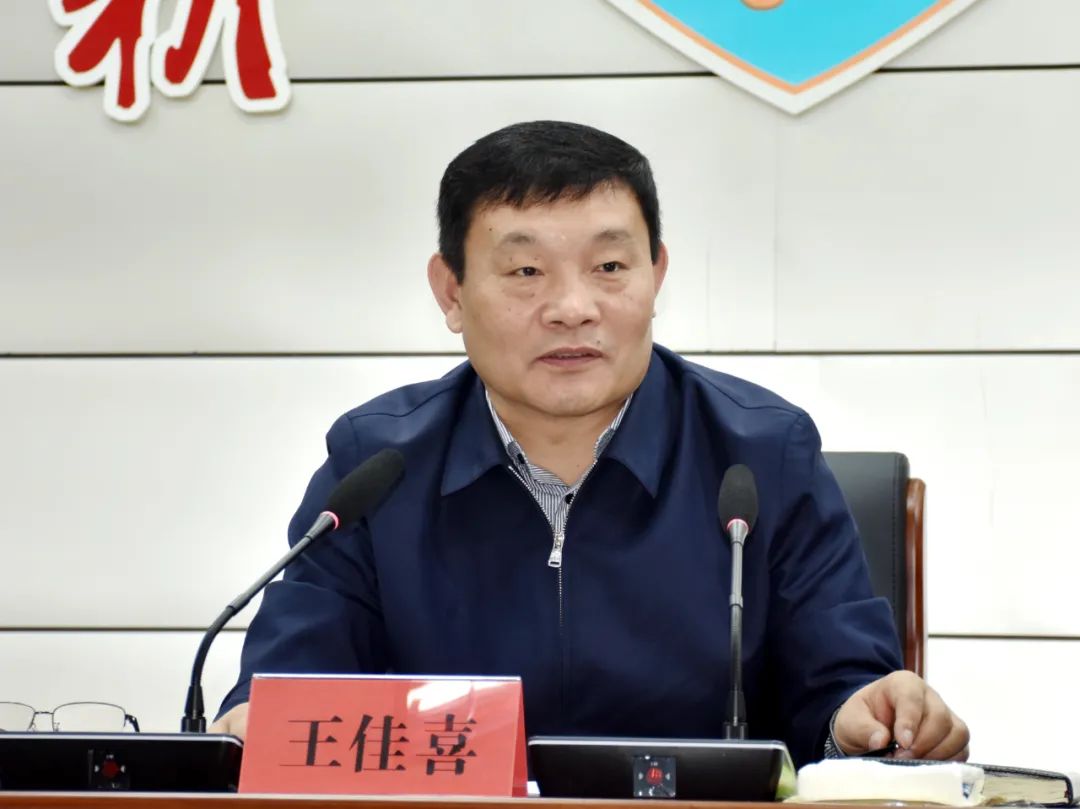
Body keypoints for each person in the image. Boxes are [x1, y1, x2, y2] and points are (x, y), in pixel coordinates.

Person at [212, 120, 969, 766]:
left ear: (655, 274)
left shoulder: (762, 455)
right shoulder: (376, 468)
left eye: (609, 267)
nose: (572, 308)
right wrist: (256, 724)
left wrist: (867, 718)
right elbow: (288, 691)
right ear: (451, 291)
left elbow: (842, 692)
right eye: (525, 271)